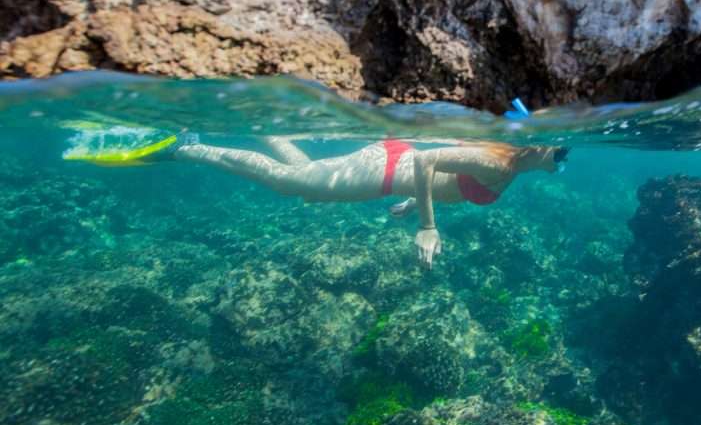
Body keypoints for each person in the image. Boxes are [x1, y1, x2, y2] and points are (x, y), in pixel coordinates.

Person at [152, 136, 568, 268]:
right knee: (287, 183)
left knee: (309, 182)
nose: (563, 163)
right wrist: (427, 224)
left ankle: (270, 132)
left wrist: (412, 201)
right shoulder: (497, 163)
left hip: (388, 170)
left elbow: (448, 182)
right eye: (562, 156)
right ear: (541, 150)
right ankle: (188, 148)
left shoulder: (510, 167)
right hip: (381, 172)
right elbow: (426, 159)